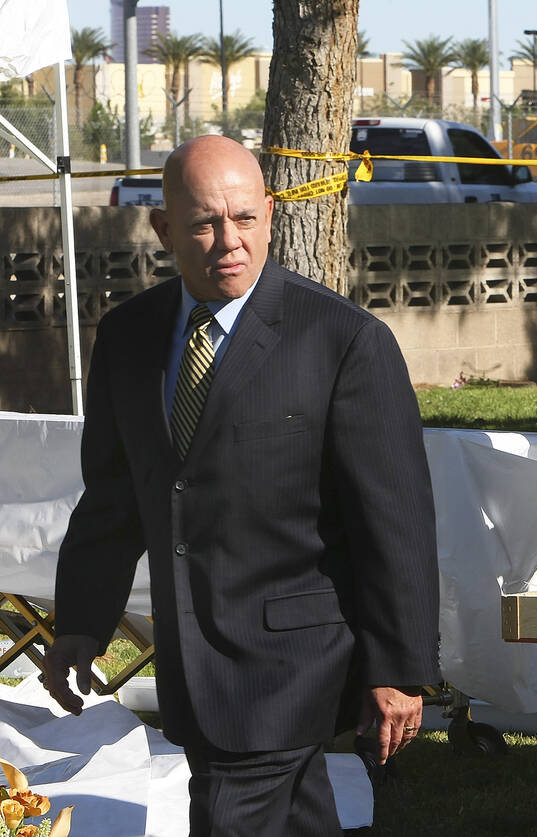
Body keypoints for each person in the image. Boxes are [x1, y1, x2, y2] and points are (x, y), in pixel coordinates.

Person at [43, 135, 440, 836]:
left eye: (246, 218)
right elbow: (116, 496)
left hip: (290, 664)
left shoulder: (342, 340)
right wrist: (81, 619)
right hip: (193, 664)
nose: (229, 240)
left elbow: (394, 519)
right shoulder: (129, 337)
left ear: (270, 215)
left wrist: (399, 666)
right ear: (164, 228)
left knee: (230, 817)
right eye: (204, 222)